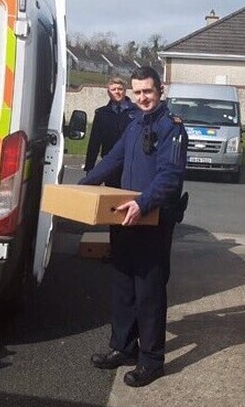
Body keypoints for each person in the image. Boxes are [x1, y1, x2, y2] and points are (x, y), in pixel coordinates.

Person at [79, 66, 187, 387]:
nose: (142, 98)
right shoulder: (134, 125)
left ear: (160, 90)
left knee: (149, 292)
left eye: (148, 92)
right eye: (137, 92)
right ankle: (123, 347)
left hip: (152, 221)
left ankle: (151, 360)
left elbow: (170, 177)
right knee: (123, 287)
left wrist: (143, 203)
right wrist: (82, 188)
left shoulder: (173, 129)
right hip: (124, 219)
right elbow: (112, 160)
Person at [83, 77, 138, 187]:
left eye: (120, 89)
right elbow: (94, 141)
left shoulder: (137, 112)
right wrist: (90, 166)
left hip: (131, 163)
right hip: (110, 163)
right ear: (108, 93)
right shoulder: (101, 113)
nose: (117, 92)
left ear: (125, 90)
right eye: (113, 90)